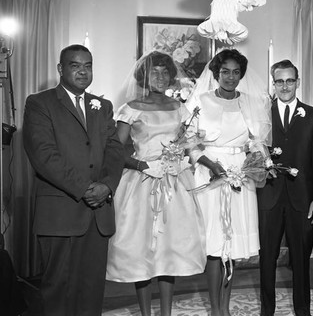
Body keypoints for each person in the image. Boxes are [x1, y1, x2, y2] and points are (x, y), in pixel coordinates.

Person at [22, 44, 124, 316]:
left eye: (87, 65)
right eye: (75, 65)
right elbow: (44, 155)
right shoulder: (39, 103)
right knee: (58, 290)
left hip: (99, 212)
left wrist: (107, 186)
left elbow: (115, 150)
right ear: (60, 69)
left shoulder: (102, 106)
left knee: (91, 289)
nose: (82, 71)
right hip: (61, 213)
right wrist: (85, 188)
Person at [106, 51, 206, 316]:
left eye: (165, 72)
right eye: (155, 72)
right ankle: (145, 312)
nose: (161, 77)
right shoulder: (130, 109)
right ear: (144, 77)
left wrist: (181, 159)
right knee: (142, 250)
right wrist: (143, 166)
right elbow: (116, 151)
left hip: (174, 183)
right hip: (142, 182)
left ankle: (166, 312)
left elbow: (188, 144)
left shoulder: (179, 108)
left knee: (168, 249)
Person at [187, 48, 272, 316]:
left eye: (236, 72)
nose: (230, 77)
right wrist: (211, 165)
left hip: (239, 175)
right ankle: (216, 309)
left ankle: (225, 307)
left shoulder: (249, 102)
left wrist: (258, 162)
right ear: (216, 73)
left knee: (231, 246)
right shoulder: (200, 101)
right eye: (225, 72)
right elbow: (189, 143)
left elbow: (256, 141)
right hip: (210, 174)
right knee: (215, 245)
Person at [258, 59, 313, 316]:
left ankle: (302, 310)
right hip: (269, 197)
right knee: (267, 259)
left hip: (303, 199)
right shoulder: (261, 114)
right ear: (273, 83)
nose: (285, 86)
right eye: (279, 81)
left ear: (298, 82)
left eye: (290, 80)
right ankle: (267, 310)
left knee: (301, 260)